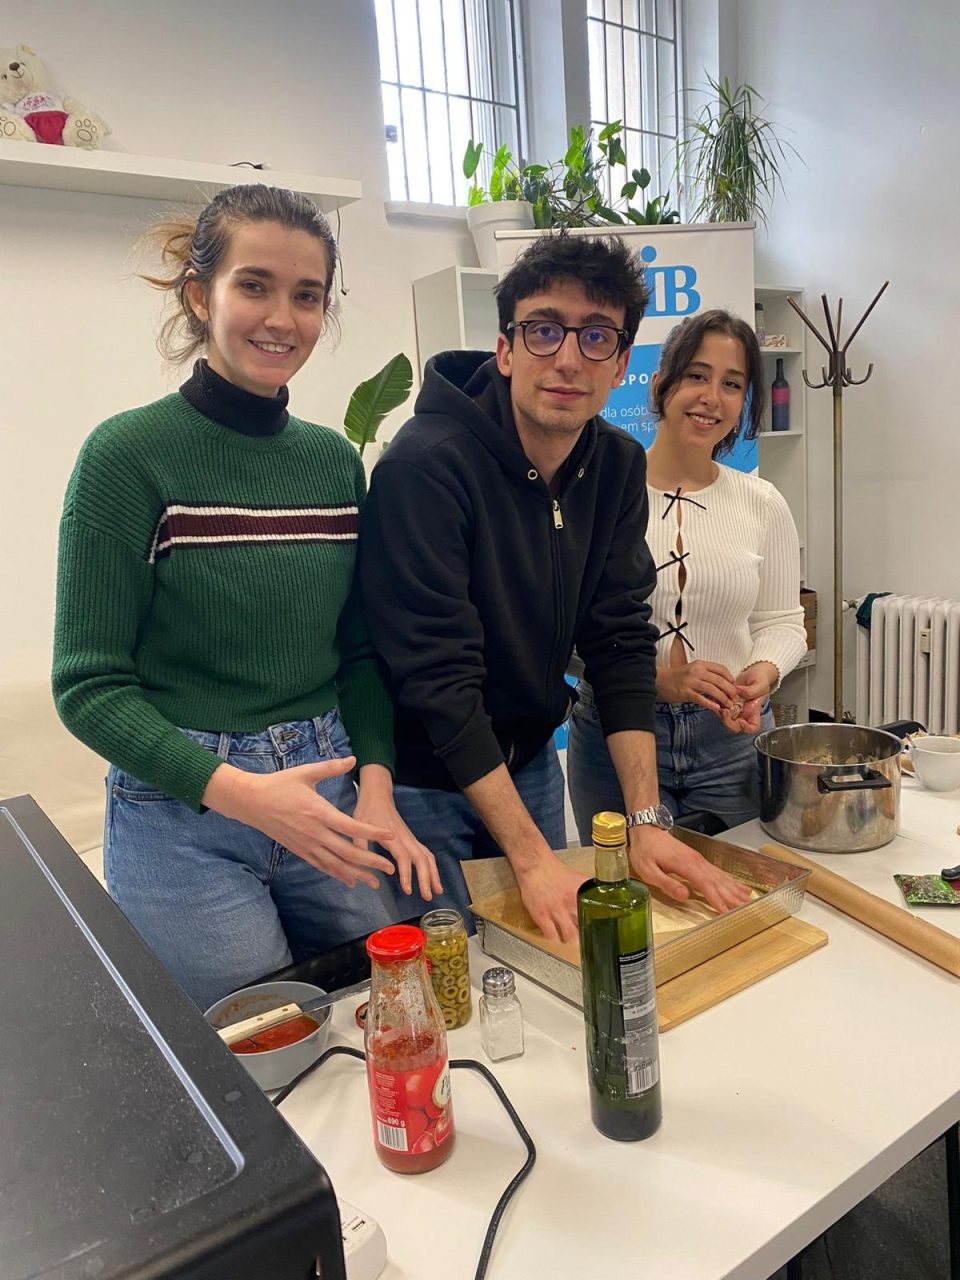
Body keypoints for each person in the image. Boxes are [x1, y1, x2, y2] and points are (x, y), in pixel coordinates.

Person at [52, 184, 439, 1011]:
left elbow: (358, 654)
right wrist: (244, 793)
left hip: (328, 784)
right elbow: (88, 686)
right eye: (254, 285)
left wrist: (376, 785)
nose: (282, 318)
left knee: (390, 1014)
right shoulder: (126, 457)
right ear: (201, 295)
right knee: (258, 1051)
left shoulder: (333, 464)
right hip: (184, 812)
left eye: (307, 295)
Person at [359, 235, 752, 945]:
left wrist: (645, 822)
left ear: (621, 363)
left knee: (551, 958)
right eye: (544, 330)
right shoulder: (424, 467)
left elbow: (619, 640)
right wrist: (532, 856)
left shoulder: (616, 465)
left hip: (530, 764)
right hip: (425, 780)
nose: (569, 359)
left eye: (596, 336)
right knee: (453, 976)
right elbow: (438, 680)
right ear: (506, 348)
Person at [567, 308, 807, 839]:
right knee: (621, 881)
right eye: (697, 375)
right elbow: (562, 633)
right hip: (615, 733)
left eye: (732, 384)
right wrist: (655, 681)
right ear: (660, 384)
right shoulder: (594, 497)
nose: (711, 398)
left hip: (731, 740)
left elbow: (784, 622)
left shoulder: (762, 502)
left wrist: (760, 675)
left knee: (738, 882)